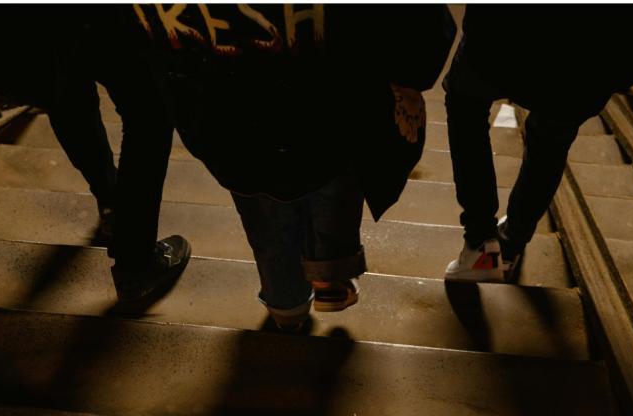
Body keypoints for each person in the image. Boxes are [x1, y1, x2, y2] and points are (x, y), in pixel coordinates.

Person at [132, 4, 455, 330]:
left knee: (262, 211)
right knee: (335, 190)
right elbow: (418, 20)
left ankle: (285, 304)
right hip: (331, 99)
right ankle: (330, 278)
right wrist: (411, 78)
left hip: (225, 110)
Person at [0, 5, 191, 307]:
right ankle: (136, 261)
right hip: (69, 19)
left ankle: (112, 203)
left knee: (65, 93)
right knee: (148, 112)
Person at [443, 5, 633, 282]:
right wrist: (621, 75)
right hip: (592, 57)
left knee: (466, 107)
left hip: (504, 34)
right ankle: (512, 242)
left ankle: (480, 241)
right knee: (550, 143)